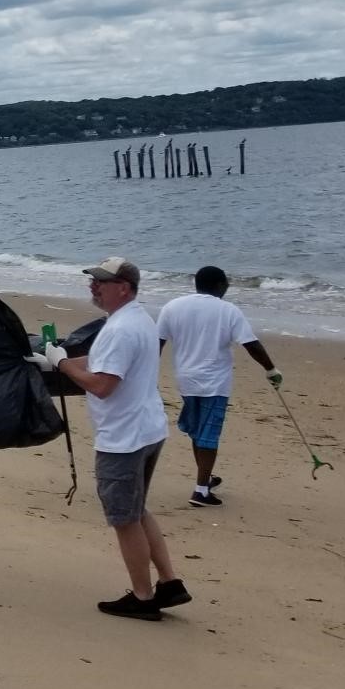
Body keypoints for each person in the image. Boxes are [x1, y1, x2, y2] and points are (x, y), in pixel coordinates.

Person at [45, 257, 184, 621]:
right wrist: (59, 358)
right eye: (93, 280)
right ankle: (169, 583)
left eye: (102, 282)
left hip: (124, 437)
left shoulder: (122, 327)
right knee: (136, 510)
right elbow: (100, 360)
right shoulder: (134, 319)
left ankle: (142, 596)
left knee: (124, 518)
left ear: (124, 287)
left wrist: (62, 366)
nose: (94, 286)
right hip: (148, 428)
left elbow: (104, 385)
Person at [156, 266, 281, 507]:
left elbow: (157, 343)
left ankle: (205, 478)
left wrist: (147, 375)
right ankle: (201, 490)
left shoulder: (173, 307)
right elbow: (251, 344)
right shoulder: (228, 310)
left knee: (198, 432)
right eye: (226, 284)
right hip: (214, 382)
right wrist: (271, 369)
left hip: (186, 379)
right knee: (208, 435)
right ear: (219, 285)